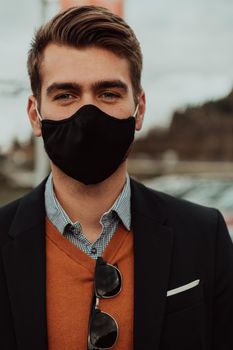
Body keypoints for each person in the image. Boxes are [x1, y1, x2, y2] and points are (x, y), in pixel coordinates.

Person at [0, 6, 233, 350]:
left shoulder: (203, 237)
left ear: (139, 108)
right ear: (36, 115)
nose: (88, 113)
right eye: (65, 95)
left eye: (109, 93)